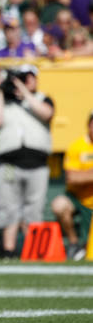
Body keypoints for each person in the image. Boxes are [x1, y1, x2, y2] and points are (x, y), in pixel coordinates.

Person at [0, 64, 54, 258]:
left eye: (27, 77)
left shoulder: (43, 99)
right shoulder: (5, 102)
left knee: (34, 211)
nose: (23, 81)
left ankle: (33, 251)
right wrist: (1, 91)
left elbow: (45, 113)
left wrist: (24, 90)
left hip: (37, 165)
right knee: (9, 209)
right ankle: (8, 252)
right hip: (9, 164)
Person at [50, 111, 93, 261]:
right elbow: (71, 178)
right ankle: (74, 243)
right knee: (59, 205)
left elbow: (78, 176)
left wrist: (84, 174)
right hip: (78, 198)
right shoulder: (77, 146)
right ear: (89, 126)